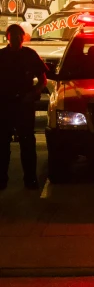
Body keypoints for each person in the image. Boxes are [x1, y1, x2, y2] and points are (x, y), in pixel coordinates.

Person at [0, 24, 47, 190]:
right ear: (8, 37)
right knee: (2, 144)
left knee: (27, 143)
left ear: (23, 37)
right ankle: (1, 179)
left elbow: (43, 80)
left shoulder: (30, 55)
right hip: (4, 105)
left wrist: (32, 94)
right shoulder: (1, 56)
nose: (16, 39)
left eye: (19, 36)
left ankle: (30, 179)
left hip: (23, 105)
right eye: (13, 36)